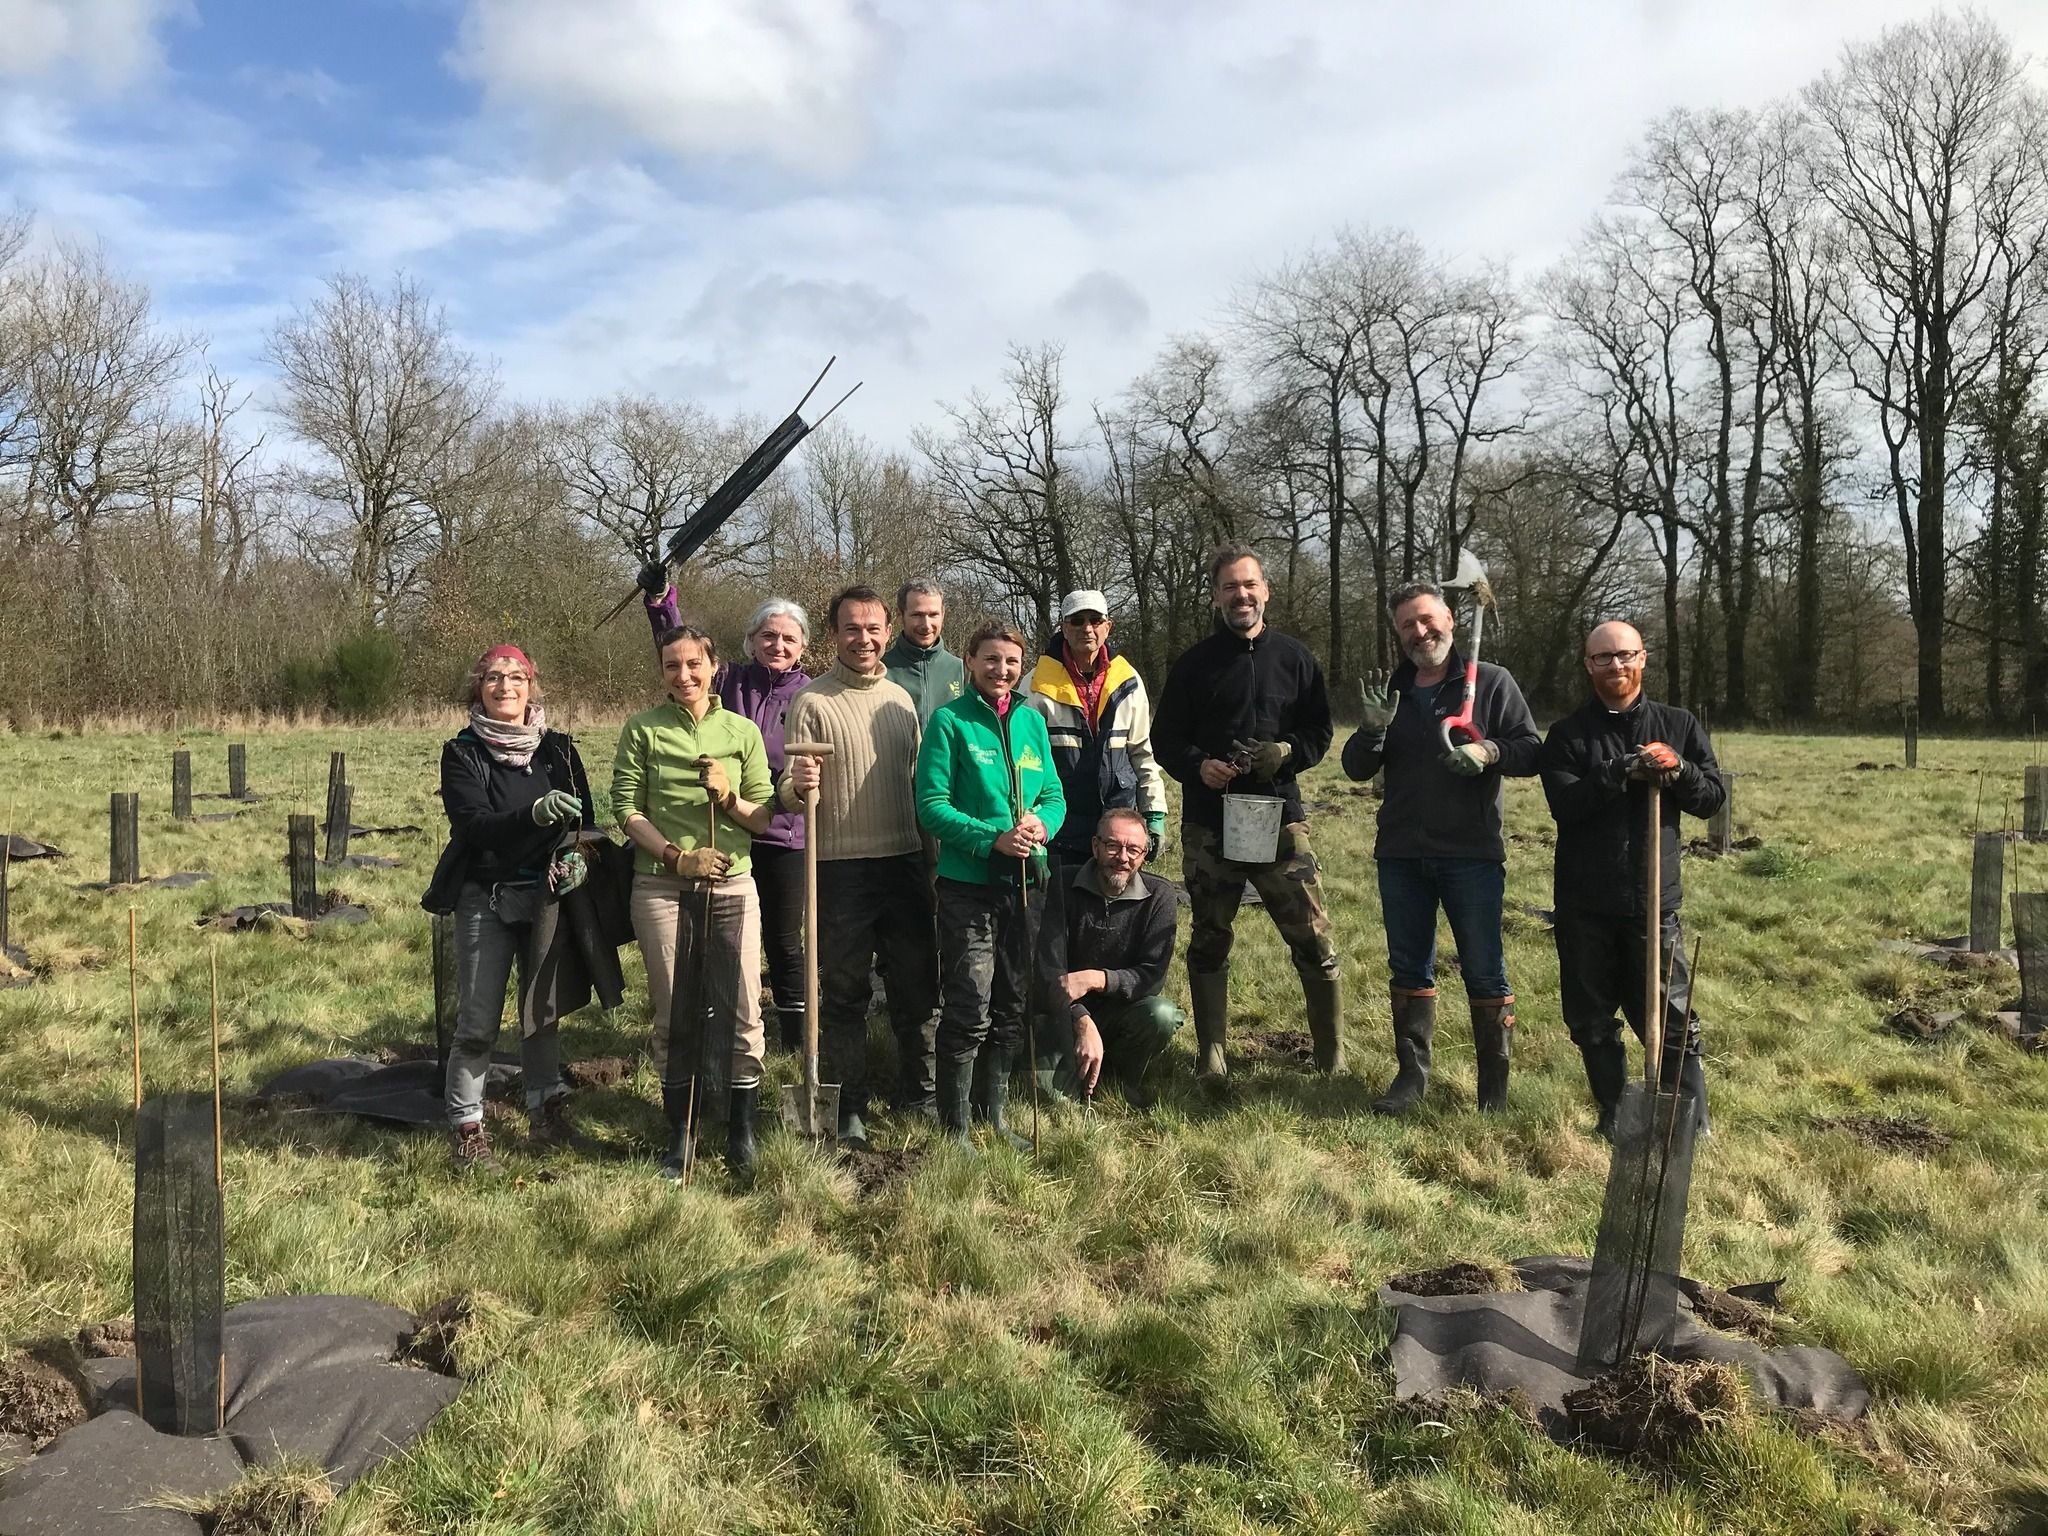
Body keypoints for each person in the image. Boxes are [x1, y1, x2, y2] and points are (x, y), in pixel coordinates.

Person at [1341, 580, 1541, 1115]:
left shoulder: (1490, 682)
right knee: (1408, 966)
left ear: (1450, 618)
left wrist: (1489, 750)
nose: (1419, 631)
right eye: (1407, 624)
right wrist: (1371, 732)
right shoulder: (1393, 690)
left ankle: (1492, 1096)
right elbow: (1356, 769)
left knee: (1483, 967)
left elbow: (1530, 749)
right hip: (1402, 852)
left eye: (1427, 619)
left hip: (1471, 852)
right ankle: (1411, 1080)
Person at [1152, 544, 1340, 1082]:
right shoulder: (1193, 665)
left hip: (1283, 820)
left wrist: (1287, 752)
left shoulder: (1296, 659)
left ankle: (1331, 1056)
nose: (1242, 595)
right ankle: (1212, 1053)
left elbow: (1320, 732)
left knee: (1312, 933)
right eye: (1231, 587)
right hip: (1211, 823)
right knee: (1211, 934)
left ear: (1266, 591)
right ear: (1215, 597)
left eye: (1250, 585)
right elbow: (1166, 739)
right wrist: (1197, 766)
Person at [1540, 620, 1723, 1138]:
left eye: (1625, 655)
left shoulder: (1678, 724)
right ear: (1588, 665)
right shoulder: (1568, 736)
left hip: (1653, 901)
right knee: (1590, 1017)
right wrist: (1618, 771)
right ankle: (1616, 1114)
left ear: (1643, 659)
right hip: (1585, 903)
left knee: (1671, 1016)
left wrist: (1680, 769)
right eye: (1603, 658)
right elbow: (1566, 807)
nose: (1615, 666)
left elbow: (1711, 797)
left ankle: (1688, 1122)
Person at [612, 624, 778, 1181]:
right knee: (673, 1007)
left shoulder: (742, 731)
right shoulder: (643, 730)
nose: (682, 676)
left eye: (693, 665)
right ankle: (679, 1135)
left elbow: (764, 817)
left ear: (714, 668)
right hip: (662, 887)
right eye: (670, 666)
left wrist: (728, 796)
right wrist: (676, 858)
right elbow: (626, 809)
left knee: (743, 1008)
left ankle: (741, 1132)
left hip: (733, 885)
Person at [426, 644, 599, 1172]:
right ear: (477, 688)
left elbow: (586, 821)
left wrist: (578, 855)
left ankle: (545, 1107)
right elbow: (474, 825)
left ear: (532, 684)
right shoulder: (464, 753)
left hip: (547, 897)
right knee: (478, 1022)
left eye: (516, 677)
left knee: (540, 1013)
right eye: (493, 678)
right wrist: (535, 813)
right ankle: (467, 1126)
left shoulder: (561, 751)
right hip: (487, 898)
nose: (506, 687)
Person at [778, 586, 936, 1147]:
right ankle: (848, 1105)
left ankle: (920, 1092)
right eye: (851, 628)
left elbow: (920, 786)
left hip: (904, 861)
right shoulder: (813, 702)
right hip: (840, 869)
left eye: (873, 628)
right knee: (844, 993)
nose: (863, 638)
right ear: (833, 636)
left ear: (888, 633)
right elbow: (790, 793)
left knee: (917, 984)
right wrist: (797, 787)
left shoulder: (899, 702)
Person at [915, 621, 1067, 1148]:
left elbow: (1053, 792)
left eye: (1010, 661)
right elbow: (932, 807)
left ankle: (994, 1116)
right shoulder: (948, 722)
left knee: (1012, 1003)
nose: (1001, 670)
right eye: (990, 659)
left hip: (1027, 885)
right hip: (968, 888)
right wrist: (991, 838)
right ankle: (955, 1127)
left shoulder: (1031, 721)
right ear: (970, 664)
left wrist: (1040, 826)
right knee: (969, 1004)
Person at [717, 598, 813, 1054]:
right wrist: (661, 602)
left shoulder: (810, 696)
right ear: (752, 639)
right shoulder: (728, 681)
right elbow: (676, 650)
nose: (778, 644)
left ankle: (794, 1039)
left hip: (785, 836)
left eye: (788, 638)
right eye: (768, 636)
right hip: (728, 830)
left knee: (782, 939)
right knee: (731, 936)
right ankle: (734, 1023)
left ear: (803, 647)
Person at [1039, 807, 1182, 1106]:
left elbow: (1151, 976)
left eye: (1133, 849)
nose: (1123, 857)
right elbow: (1044, 970)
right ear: (1095, 846)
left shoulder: (1161, 896)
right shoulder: (1060, 885)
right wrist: (1081, 1020)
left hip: (1123, 1011)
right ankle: (1076, 1066)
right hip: (1060, 1013)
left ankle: (1122, 1076)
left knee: (1162, 1014)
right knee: (1049, 1099)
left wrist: (1096, 979)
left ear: (1144, 854)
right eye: (1113, 846)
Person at [1021, 588, 1168, 866]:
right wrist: (1031, 829)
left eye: (1095, 620)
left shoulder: (1129, 682)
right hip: (1060, 826)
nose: (1086, 628)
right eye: (1077, 621)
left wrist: (1154, 813)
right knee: (1065, 906)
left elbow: (1142, 753)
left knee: (1117, 906)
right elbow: (1026, 766)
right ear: (1063, 627)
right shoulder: (1035, 685)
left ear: (1107, 627)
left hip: (1118, 825)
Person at [883, 576, 965, 726]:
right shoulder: (881, 669)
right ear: (900, 616)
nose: (926, 625)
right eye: (917, 615)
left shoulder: (961, 669)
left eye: (933, 615)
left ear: (943, 615)